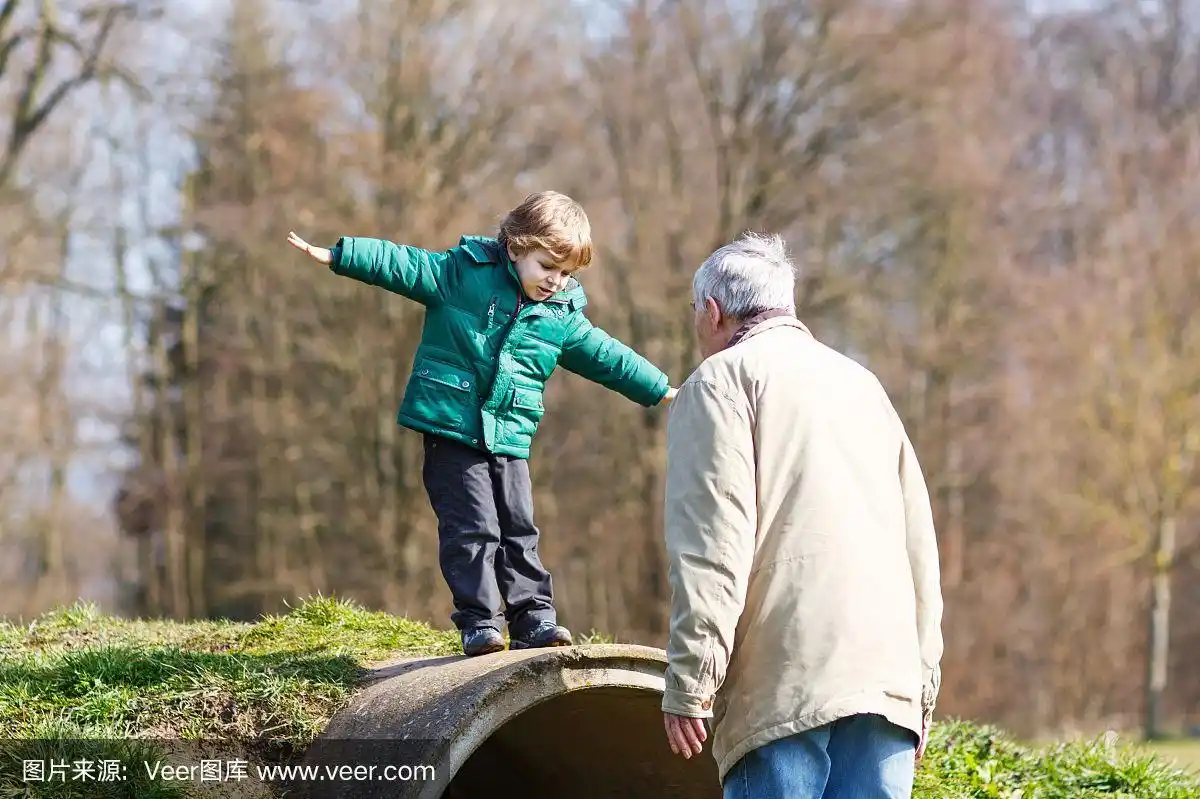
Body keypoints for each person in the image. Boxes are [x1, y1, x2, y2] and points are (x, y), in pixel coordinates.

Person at [287, 191, 677, 657]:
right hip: (452, 430)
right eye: (546, 266)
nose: (555, 281)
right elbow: (402, 265)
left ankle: (533, 617)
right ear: (515, 247)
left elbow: (607, 356)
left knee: (519, 529)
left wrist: (662, 389)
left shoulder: (561, 316)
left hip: (509, 437)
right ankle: (480, 622)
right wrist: (340, 255)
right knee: (473, 528)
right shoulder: (462, 275)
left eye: (565, 273)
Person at [658, 232, 944, 799]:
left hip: (784, 680)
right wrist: (922, 685)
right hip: (887, 678)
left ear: (712, 312)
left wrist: (692, 679)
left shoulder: (720, 382)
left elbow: (713, 546)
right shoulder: (865, 386)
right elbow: (920, 550)